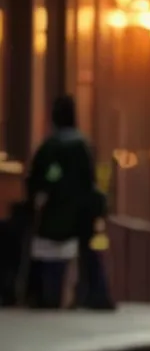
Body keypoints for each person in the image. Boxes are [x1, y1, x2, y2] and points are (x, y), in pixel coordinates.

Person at [25, 95, 97, 310]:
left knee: (47, 259)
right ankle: (78, 296)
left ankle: (47, 296)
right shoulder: (83, 146)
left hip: (51, 214)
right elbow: (89, 182)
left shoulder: (51, 147)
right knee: (78, 256)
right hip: (79, 217)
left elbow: (39, 179)